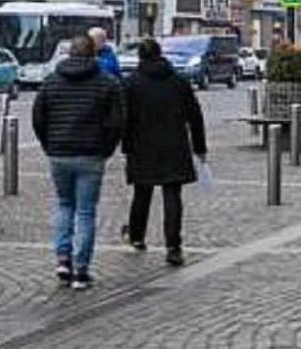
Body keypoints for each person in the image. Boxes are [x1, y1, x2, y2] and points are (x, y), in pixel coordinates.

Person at [32, 33, 126, 290]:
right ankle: (80, 269)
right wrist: (106, 148)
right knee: (85, 211)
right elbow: (117, 122)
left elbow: (38, 117)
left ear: (69, 54)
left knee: (64, 205)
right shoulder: (107, 83)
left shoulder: (51, 82)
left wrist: (49, 144)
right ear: (94, 54)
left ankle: (63, 258)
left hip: (59, 153)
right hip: (91, 154)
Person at [120, 38, 207, 267]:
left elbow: (123, 120)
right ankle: (173, 246)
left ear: (140, 57)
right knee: (172, 196)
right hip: (174, 145)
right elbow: (195, 116)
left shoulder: (131, 84)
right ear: (161, 55)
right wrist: (200, 147)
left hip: (142, 146)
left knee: (142, 193)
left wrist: (125, 146)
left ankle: (137, 236)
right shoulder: (178, 81)